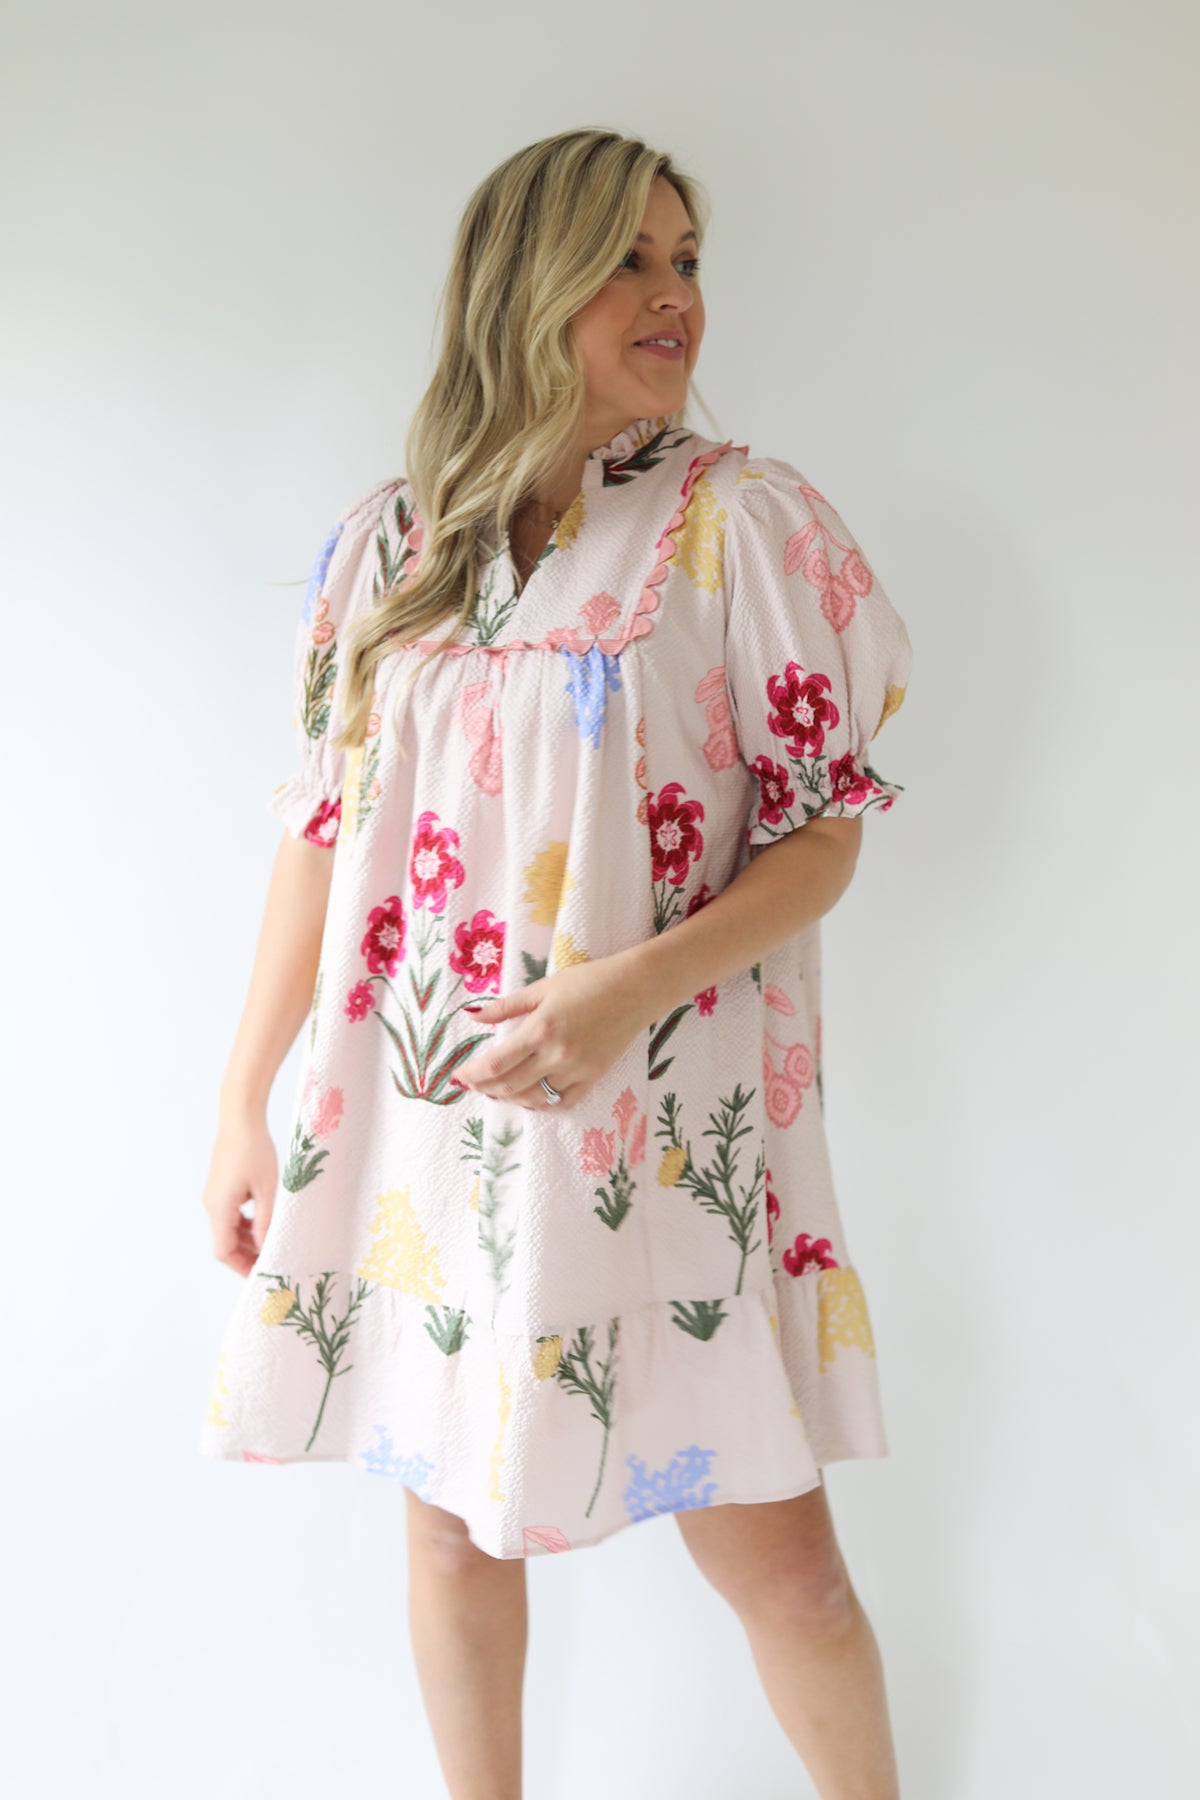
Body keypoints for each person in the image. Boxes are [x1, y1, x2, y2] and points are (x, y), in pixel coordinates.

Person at [199, 127, 912, 1800]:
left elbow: (822, 839)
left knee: (784, 1566)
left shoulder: (740, 527)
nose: (675, 296)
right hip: (426, 1121)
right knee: (451, 1533)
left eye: (687, 260)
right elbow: (323, 831)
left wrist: (622, 991)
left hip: (664, 1130)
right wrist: (243, 1100)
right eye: (629, 259)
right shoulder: (394, 548)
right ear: (523, 285)